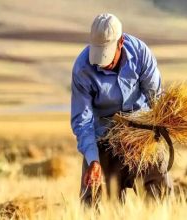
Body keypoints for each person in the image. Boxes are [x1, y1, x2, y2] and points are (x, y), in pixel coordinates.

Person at [70, 13, 173, 205]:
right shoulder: (82, 68)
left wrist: (163, 126)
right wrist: (93, 160)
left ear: (121, 42)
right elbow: (82, 121)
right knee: (93, 201)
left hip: (141, 135)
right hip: (104, 138)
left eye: (107, 54)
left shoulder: (141, 53)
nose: (103, 61)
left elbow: (156, 99)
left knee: (160, 196)